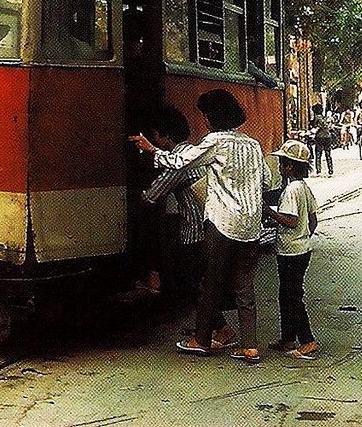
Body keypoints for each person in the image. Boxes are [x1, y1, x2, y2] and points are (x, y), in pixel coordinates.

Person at [130, 89, 273, 365]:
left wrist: (151, 150)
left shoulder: (215, 141)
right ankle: (250, 347)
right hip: (251, 226)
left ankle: (202, 340)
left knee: (209, 283)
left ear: (211, 116)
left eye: (205, 114)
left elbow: (180, 161)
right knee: (244, 285)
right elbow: (265, 182)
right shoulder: (253, 145)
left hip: (222, 224)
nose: (204, 120)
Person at [140, 105, 208, 299]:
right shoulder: (194, 151)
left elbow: (151, 195)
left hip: (193, 231)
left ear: (167, 136)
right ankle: (213, 326)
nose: (154, 141)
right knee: (199, 280)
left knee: (191, 282)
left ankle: (221, 327)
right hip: (208, 226)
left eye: (156, 136)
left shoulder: (178, 162)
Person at [263, 139, 320, 360]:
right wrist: (305, 237)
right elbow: (312, 220)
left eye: (282, 162)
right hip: (301, 248)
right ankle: (287, 338)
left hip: (290, 251)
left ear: (289, 166)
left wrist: (268, 212)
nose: (279, 166)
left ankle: (307, 340)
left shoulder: (291, 190)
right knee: (286, 294)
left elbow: (290, 220)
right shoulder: (304, 188)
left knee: (292, 296)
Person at [310, 104, 333, 177]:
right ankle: (330, 170)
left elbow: (317, 128)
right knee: (328, 154)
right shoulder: (324, 117)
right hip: (328, 137)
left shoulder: (317, 118)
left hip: (320, 137)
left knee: (318, 154)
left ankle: (318, 171)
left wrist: (311, 132)